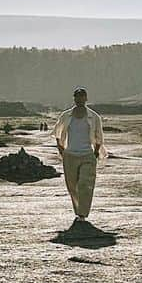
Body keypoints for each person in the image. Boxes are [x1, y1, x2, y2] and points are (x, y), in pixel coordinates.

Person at [53, 87, 106, 221]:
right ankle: (78, 211)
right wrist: (61, 149)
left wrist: (96, 151)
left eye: (82, 96)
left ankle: (83, 214)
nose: (80, 99)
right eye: (77, 97)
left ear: (86, 98)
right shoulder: (66, 115)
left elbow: (99, 135)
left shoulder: (94, 117)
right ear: (74, 98)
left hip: (87, 154)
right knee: (72, 186)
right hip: (70, 155)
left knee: (85, 184)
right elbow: (58, 133)